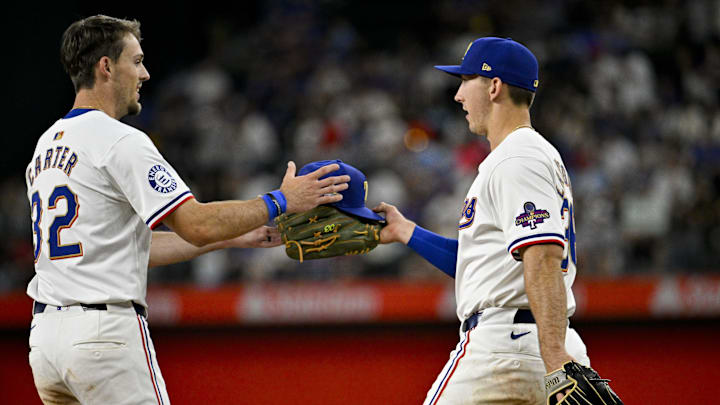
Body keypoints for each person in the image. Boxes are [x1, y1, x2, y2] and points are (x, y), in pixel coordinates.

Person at [25, 15, 349, 405]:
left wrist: (234, 237)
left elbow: (128, 249)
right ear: (106, 67)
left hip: (46, 339)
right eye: (137, 60)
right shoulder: (119, 139)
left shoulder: (46, 145)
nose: (145, 73)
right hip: (104, 335)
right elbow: (196, 223)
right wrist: (281, 201)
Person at [373, 37, 589, 404]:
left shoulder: (517, 157)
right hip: (540, 344)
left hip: (506, 348)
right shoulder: (527, 155)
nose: (458, 95)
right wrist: (405, 231)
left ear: (494, 86)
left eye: (465, 80)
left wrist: (555, 362)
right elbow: (485, 265)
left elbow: (543, 255)